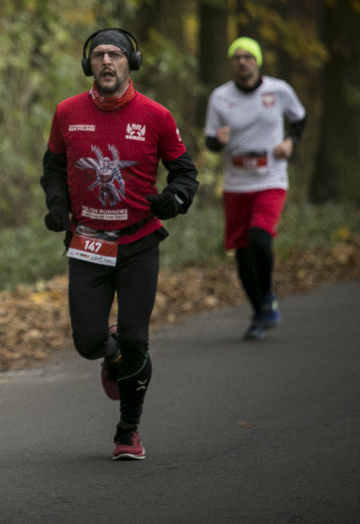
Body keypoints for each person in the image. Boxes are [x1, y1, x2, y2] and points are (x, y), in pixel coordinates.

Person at [39, 28, 198, 460]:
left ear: (132, 62)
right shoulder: (67, 112)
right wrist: (56, 205)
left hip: (138, 242)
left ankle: (128, 430)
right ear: (88, 64)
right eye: (99, 55)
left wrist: (175, 199)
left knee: (137, 340)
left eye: (116, 55)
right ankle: (109, 353)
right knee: (88, 342)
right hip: (87, 242)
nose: (107, 62)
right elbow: (52, 169)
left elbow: (186, 173)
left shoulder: (156, 116)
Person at [204, 37, 306, 340]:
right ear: (231, 63)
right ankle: (260, 310)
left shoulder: (279, 90)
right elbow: (210, 141)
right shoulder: (220, 97)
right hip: (236, 184)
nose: (242, 61)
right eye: (237, 57)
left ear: (257, 61)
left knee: (260, 238)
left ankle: (267, 295)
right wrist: (217, 142)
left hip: (271, 180)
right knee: (241, 251)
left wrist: (290, 142)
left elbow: (300, 119)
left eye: (248, 56)